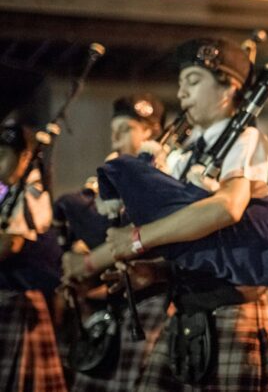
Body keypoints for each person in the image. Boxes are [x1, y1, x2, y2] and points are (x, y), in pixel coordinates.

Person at [73, 38, 268, 391]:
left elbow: (227, 208)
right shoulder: (185, 154)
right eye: (180, 83)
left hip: (231, 312)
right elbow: (194, 246)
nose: (182, 91)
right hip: (187, 312)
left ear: (229, 87)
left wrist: (136, 239)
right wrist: (155, 272)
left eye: (193, 81)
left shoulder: (246, 139)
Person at [58, 93, 170, 392]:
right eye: (113, 131)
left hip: (155, 303)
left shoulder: (164, 175)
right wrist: (79, 262)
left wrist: (89, 260)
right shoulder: (108, 178)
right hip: (118, 303)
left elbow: (142, 235)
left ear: (151, 132)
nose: (116, 138)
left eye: (126, 129)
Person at [0, 119, 67, 392]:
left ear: (25, 157)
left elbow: (8, 245)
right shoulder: (8, 193)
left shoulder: (32, 194)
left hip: (22, 303)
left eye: (3, 156)